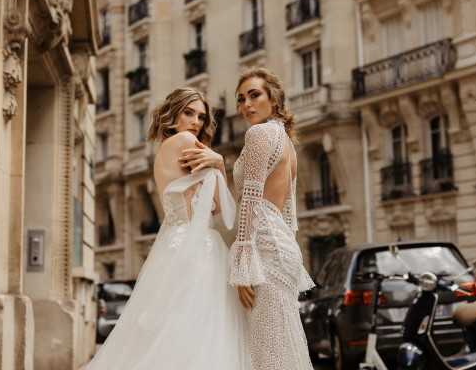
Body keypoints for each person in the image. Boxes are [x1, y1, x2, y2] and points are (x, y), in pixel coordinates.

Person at [85, 87, 251, 370]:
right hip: (198, 247)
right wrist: (220, 164)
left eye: (201, 116)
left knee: (173, 331)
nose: (196, 122)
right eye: (188, 113)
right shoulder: (185, 141)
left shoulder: (164, 151)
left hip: (174, 243)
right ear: (172, 116)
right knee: (200, 331)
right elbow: (226, 213)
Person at [229, 68, 315, 370]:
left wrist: (241, 266)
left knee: (266, 352)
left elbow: (250, 200)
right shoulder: (286, 142)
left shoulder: (259, 134)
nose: (246, 105)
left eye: (255, 95)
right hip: (282, 249)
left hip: (263, 249)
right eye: (241, 99)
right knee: (280, 346)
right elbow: (288, 213)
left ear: (273, 99)